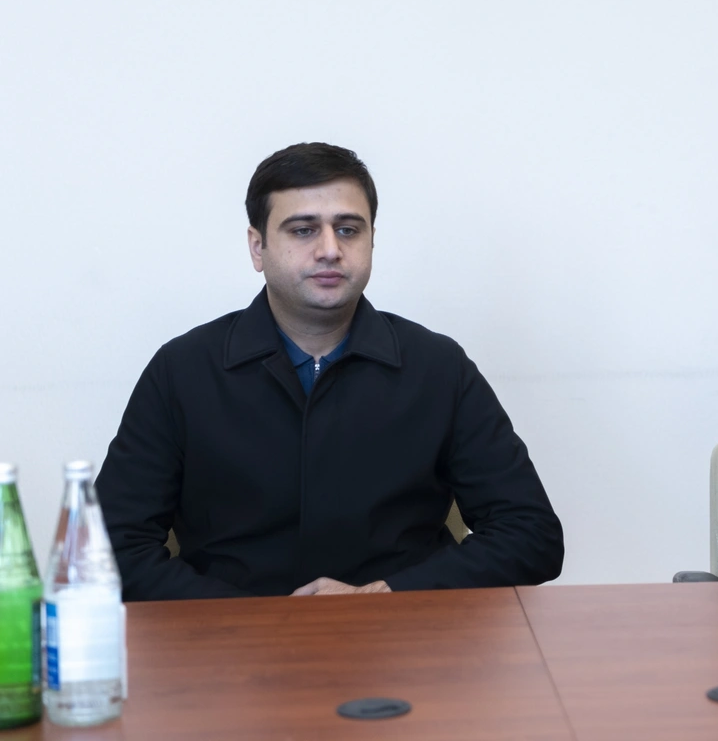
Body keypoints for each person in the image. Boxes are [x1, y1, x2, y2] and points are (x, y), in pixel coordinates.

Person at [96, 142, 564, 600]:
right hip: (230, 639)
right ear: (257, 247)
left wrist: (386, 595)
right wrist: (252, 620)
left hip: (398, 634)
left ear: (371, 240)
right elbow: (111, 549)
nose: (329, 250)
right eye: (303, 230)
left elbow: (531, 535)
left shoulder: (438, 367)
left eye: (348, 229)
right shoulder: (182, 370)